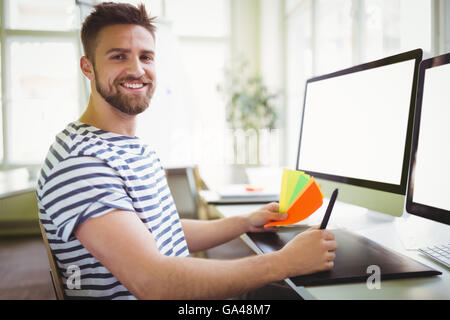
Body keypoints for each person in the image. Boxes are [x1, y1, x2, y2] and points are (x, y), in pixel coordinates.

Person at [36, 2, 337, 300]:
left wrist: (244, 222)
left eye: (146, 56)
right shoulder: (80, 161)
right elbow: (154, 283)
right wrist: (284, 263)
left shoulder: (136, 148)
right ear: (88, 67)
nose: (137, 69)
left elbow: (163, 230)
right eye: (118, 56)